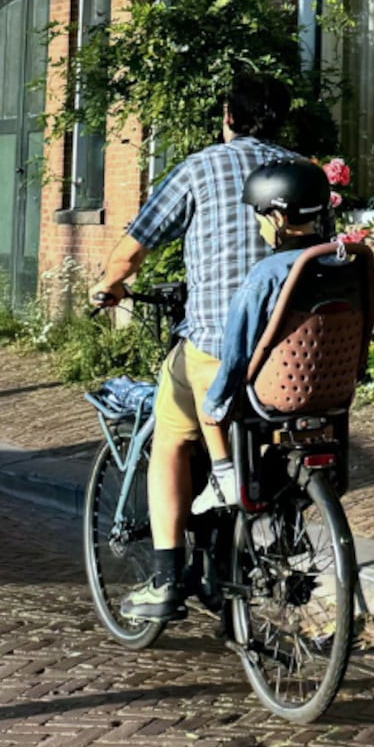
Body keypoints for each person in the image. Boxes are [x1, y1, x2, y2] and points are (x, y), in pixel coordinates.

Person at [88, 66, 305, 623]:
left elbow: (133, 248)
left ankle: (164, 578)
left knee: (170, 436)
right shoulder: (301, 173)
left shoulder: (201, 168)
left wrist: (108, 287)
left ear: (229, 116)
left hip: (214, 348)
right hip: (289, 355)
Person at [191, 159, 343, 512]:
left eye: (259, 216)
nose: (258, 224)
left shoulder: (267, 273)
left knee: (202, 373)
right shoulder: (341, 262)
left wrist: (217, 403)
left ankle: (224, 475)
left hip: (278, 389)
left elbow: (237, 348)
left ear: (277, 217)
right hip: (333, 387)